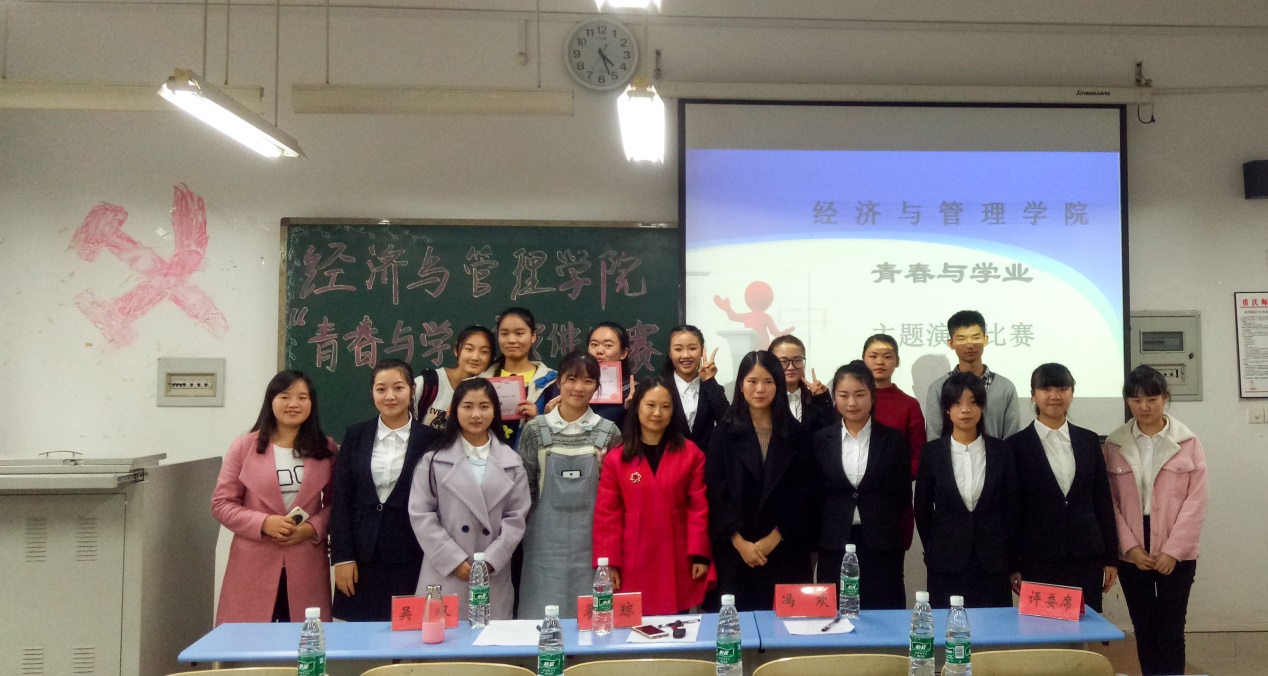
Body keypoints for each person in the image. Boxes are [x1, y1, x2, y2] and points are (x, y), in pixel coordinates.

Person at [1104, 365, 1208, 676]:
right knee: (1144, 626)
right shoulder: (1114, 443)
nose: (1144, 407)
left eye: (1151, 399)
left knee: (1172, 627)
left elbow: (1196, 500)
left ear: (1165, 398)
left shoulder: (1188, 441)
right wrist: (1130, 547)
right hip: (1133, 546)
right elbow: (1109, 502)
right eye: (1136, 400)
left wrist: (1173, 551)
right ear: (1127, 401)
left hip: (1177, 546)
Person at [211, 370, 337, 625]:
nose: (294, 404)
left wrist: (311, 528)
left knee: (305, 640)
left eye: (302, 397)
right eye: (285, 396)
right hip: (253, 563)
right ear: (271, 401)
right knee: (251, 641)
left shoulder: (326, 449)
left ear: (311, 403)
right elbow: (221, 504)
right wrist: (264, 523)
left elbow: (337, 504)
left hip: (306, 561)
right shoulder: (244, 446)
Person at [408, 378, 531, 621]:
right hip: (445, 572)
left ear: (495, 411)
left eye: (484, 406)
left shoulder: (512, 462)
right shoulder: (433, 460)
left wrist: (491, 561)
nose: (476, 414)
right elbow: (421, 514)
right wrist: (453, 560)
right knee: (443, 638)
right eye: (467, 406)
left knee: (490, 639)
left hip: (492, 573)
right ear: (454, 410)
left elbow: (517, 517)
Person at [706, 350, 817, 611]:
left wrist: (776, 537)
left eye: (768, 381)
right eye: (752, 381)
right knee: (735, 627)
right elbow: (715, 492)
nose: (760, 389)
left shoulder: (797, 434)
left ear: (778, 385)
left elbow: (806, 493)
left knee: (787, 626)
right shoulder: (723, 434)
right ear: (741, 386)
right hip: (736, 552)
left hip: (785, 550)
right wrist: (739, 542)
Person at [593, 375, 714, 615]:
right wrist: (608, 564)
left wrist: (700, 554)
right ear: (637, 407)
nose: (657, 413)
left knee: (677, 626)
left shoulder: (691, 454)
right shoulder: (617, 458)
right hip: (633, 556)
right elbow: (607, 515)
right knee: (633, 626)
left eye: (665, 406)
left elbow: (698, 508)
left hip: (677, 554)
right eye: (650, 405)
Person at [516, 351, 622, 618]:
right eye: (571, 379)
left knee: (593, 622)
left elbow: (617, 498)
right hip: (543, 548)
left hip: (593, 548)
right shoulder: (535, 430)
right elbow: (524, 491)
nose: (578, 387)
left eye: (588, 381)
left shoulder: (609, 432)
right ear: (559, 382)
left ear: (597, 386)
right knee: (540, 623)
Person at [329, 360, 437, 621]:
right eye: (381, 389)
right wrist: (342, 558)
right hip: (360, 559)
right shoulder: (356, 435)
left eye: (398, 388)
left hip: (411, 555)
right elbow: (341, 498)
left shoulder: (432, 439)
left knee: (409, 632)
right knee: (359, 635)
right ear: (372, 392)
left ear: (412, 390)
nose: (390, 396)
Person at [1006, 363, 1118, 613]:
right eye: (1046, 389)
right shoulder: (1015, 446)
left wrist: (1111, 558)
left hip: (1085, 556)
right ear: (1033, 395)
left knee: (1085, 626)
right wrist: (1013, 564)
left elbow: (1102, 500)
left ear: (1072, 394)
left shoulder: (1089, 440)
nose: (1055, 396)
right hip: (1038, 559)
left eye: (1062, 389)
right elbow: (1012, 510)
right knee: (1041, 629)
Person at [914, 371, 1018, 608]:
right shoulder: (932, 453)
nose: (965, 410)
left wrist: (1011, 559)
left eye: (973, 402)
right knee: (947, 624)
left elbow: (1012, 507)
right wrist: (935, 548)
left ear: (982, 407)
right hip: (945, 561)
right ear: (947, 409)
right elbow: (922, 508)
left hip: (993, 561)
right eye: (957, 403)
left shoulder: (1001, 451)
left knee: (993, 625)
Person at [813, 361, 911, 610]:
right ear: (834, 397)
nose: (852, 403)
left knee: (883, 609)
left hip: (881, 542)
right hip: (834, 541)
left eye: (859, 394)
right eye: (843, 395)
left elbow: (901, 494)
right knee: (834, 611)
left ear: (872, 396)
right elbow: (816, 493)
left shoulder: (893, 439)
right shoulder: (821, 440)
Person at [923, 310, 1020, 440]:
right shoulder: (938, 388)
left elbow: (1012, 437)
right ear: (951, 343)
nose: (970, 345)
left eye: (976, 337)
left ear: (985, 340)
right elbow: (934, 438)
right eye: (961, 339)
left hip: (997, 453)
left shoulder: (1005, 387)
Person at [480, 307, 558, 447]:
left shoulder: (551, 382)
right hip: (486, 457)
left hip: (532, 457)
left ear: (533, 336)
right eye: (504, 334)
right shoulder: (480, 382)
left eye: (519, 333)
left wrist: (537, 419)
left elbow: (563, 434)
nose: (511, 340)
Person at [862, 334, 926, 477]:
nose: (880, 362)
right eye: (873, 356)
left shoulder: (909, 404)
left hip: (895, 486)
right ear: (863, 359)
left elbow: (918, 454)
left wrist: (897, 478)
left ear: (897, 361)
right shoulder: (851, 402)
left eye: (887, 356)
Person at [661, 324, 729, 453]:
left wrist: (709, 382)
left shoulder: (711, 387)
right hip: (670, 460)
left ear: (702, 350)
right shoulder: (660, 388)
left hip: (706, 462)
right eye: (678, 349)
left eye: (692, 348)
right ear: (670, 353)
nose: (686, 355)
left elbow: (727, 422)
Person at [415, 325, 495, 431]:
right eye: (469, 349)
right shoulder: (428, 383)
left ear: (492, 357)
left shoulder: (491, 392)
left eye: (484, 352)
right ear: (456, 350)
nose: (475, 357)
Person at [769, 334, 835, 434]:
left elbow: (829, 433)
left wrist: (822, 399)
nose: (791, 367)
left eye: (797, 360)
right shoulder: (765, 400)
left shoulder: (816, 399)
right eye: (783, 361)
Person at [586, 321, 633, 427]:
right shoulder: (576, 387)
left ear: (623, 353)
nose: (599, 350)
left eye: (608, 345)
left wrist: (629, 407)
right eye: (594, 344)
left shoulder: (632, 391)